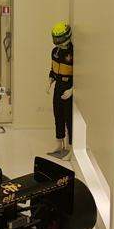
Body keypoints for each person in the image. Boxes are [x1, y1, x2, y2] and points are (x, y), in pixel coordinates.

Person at [47, 22, 74, 158]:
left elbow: (80, 75)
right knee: (58, 115)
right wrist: (50, 79)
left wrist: (72, 90)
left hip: (69, 87)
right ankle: (59, 142)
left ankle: (71, 147)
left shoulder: (74, 52)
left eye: (60, 39)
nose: (58, 42)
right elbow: (53, 69)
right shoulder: (55, 52)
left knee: (69, 118)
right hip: (58, 87)